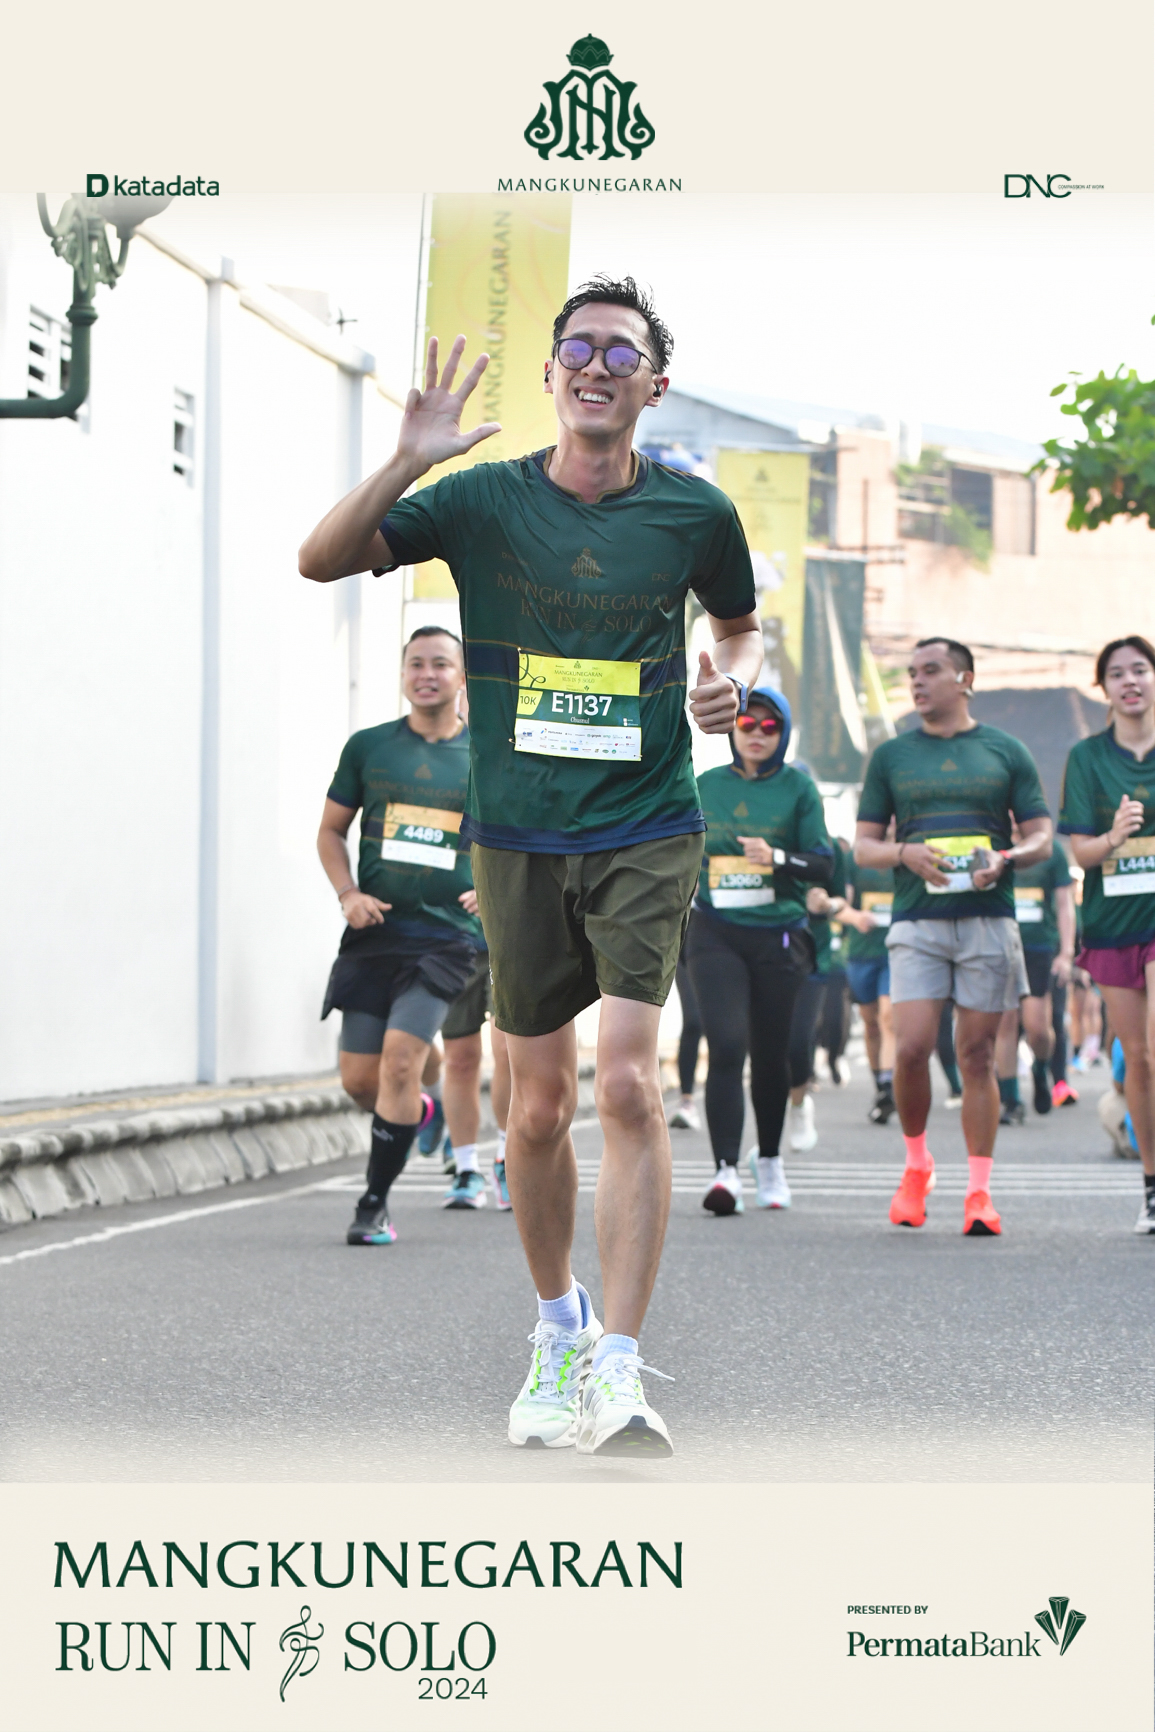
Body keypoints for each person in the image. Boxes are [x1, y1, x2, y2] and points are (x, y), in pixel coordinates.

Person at [300, 276, 763, 1454]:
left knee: (628, 1085)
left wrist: (730, 682)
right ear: (553, 372)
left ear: (656, 385)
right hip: (515, 837)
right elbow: (320, 558)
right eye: (579, 348)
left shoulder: (697, 513)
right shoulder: (481, 501)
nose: (598, 365)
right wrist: (406, 460)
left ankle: (620, 1365)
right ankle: (559, 1326)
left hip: (647, 822)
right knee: (540, 1104)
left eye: (622, 352)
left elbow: (738, 626)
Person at [854, 637, 1052, 1236]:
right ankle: (917, 1166)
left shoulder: (1006, 750)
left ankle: (979, 1193)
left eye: (931, 670)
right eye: (912, 672)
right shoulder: (891, 756)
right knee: (911, 1048)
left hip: (989, 918)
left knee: (977, 1055)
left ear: (965, 679)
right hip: (917, 921)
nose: (917, 681)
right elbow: (863, 848)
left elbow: (1042, 835)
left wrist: (1006, 857)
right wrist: (904, 853)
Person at [317, 626, 492, 1243]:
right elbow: (330, 831)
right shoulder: (369, 748)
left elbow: (522, 834)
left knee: (398, 1063)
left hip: (449, 938)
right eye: (416, 663)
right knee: (360, 1081)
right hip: (377, 932)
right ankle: (425, 1107)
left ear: (461, 677)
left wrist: (494, 889)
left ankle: (374, 1206)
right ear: (402, 675)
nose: (427, 674)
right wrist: (348, 893)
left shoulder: (486, 755)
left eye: (440, 664)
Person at [685, 686, 831, 1214]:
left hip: (778, 934)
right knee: (726, 1045)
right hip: (715, 930)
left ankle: (768, 1160)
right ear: (734, 729)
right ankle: (725, 1171)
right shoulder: (705, 784)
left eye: (770, 727)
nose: (757, 734)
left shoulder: (799, 789)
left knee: (772, 1055)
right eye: (748, 724)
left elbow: (823, 863)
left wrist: (778, 858)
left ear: (783, 734)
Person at [1059, 634, 1155, 1234]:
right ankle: (1151, 1184)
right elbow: (1082, 852)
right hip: (1114, 925)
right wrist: (1115, 836)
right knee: (1137, 1060)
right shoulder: (1088, 758)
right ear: (1104, 689)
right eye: (1117, 674)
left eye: (1140, 669)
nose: (1130, 681)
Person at [993, 829, 1075, 1123]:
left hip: (1038, 947)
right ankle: (1011, 1100)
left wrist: (1066, 952)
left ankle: (1041, 1070)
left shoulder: (1050, 850)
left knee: (1037, 1028)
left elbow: (1065, 904)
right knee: (1005, 1023)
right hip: (999, 945)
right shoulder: (994, 843)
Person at [784, 839, 848, 1153]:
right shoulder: (760, 836)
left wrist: (827, 905)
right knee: (764, 1045)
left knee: (799, 1041)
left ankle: (799, 1104)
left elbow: (843, 900)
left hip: (812, 956)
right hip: (763, 949)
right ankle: (765, 1146)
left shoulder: (831, 849)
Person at [842, 842, 897, 1123]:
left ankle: (888, 1086)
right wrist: (855, 917)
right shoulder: (854, 859)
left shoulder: (906, 854)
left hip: (896, 951)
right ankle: (880, 1086)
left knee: (888, 1017)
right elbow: (840, 903)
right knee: (871, 1023)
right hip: (862, 953)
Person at [668, 951, 704, 1130]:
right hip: (688, 946)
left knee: (728, 1032)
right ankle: (686, 1101)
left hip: (729, 944)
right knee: (693, 1021)